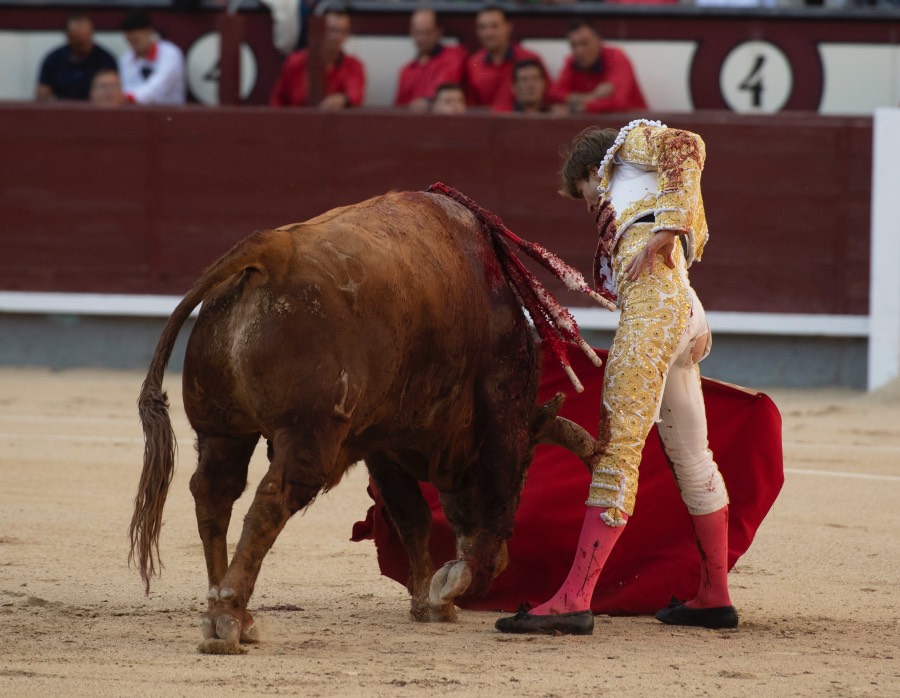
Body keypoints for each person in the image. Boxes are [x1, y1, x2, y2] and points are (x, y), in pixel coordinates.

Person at [495, 119, 737, 635]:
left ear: (590, 170)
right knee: (694, 456)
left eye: (583, 194)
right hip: (677, 308)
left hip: (655, 312)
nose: (590, 207)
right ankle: (714, 595)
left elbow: (686, 144)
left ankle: (574, 598)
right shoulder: (635, 191)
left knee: (617, 451)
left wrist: (670, 227)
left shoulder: (628, 148)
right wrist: (691, 308)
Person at [270, 9, 366, 109]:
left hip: (334, 123)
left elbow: (355, 95)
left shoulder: (353, 65)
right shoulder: (295, 62)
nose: (336, 37)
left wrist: (343, 99)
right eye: (332, 30)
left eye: (342, 31)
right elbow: (277, 100)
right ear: (321, 31)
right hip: (295, 121)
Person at [551, 20, 647, 114]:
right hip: (594, 125)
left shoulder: (616, 57)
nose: (579, 51)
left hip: (634, 124)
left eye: (584, 43)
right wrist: (593, 96)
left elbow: (618, 102)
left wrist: (575, 107)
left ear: (598, 41)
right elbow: (555, 95)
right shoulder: (571, 61)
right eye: (574, 45)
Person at [465, 6, 546, 109]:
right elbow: (470, 107)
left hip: (523, 122)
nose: (488, 33)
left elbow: (547, 97)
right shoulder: (473, 64)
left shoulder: (529, 59)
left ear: (508, 27)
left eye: (494, 26)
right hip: (486, 123)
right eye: (482, 27)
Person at [394, 10, 468, 112]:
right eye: (418, 32)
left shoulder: (455, 55)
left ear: (439, 32)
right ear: (411, 33)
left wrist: (428, 100)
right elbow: (399, 108)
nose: (422, 38)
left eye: (427, 32)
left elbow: (446, 82)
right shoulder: (406, 71)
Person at [35, 13, 117, 101]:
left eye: (88, 38)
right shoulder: (54, 59)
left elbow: (115, 95)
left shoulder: (105, 59)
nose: (86, 45)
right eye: (80, 42)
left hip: (96, 111)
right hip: (63, 111)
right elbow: (42, 97)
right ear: (68, 37)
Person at [118, 10, 186, 105]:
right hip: (135, 115)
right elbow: (125, 88)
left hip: (170, 115)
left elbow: (158, 87)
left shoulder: (170, 54)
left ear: (150, 31)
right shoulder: (125, 60)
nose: (134, 45)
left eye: (137, 40)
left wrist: (126, 98)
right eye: (130, 41)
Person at [492, 59, 565, 115]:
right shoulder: (502, 116)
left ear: (544, 84)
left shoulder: (556, 116)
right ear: (514, 87)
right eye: (524, 79)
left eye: (535, 78)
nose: (530, 84)